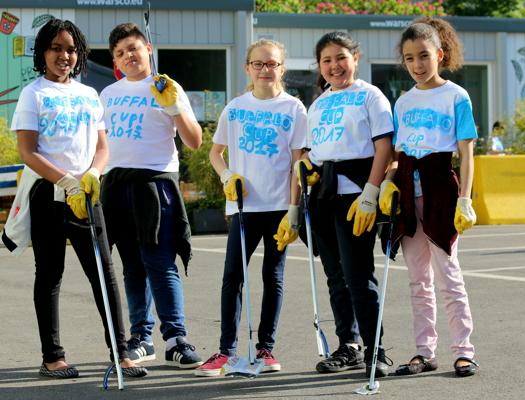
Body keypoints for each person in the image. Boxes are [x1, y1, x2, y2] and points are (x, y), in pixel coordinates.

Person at [7, 18, 146, 379]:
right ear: (43, 53)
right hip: (49, 194)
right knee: (50, 274)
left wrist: (92, 174)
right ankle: (52, 357)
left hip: (87, 194)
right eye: (56, 48)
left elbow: (102, 146)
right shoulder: (33, 93)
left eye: (71, 49)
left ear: (80, 54)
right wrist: (66, 181)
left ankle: (121, 353)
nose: (64, 55)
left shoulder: (89, 95)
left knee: (104, 274)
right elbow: (28, 151)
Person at [277, 31, 394, 378]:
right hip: (323, 195)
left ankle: (377, 349)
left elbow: (384, 146)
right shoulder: (319, 103)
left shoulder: (371, 97)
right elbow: (308, 156)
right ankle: (349, 345)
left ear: (355, 58)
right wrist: (294, 207)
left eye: (341, 57)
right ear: (320, 66)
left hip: (357, 194)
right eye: (327, 60)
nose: (334, 66)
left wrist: (372, 191)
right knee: (335, 276)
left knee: (359, 275)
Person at [194, 39, 307, 377]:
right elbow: (216, 153)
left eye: (271, 63)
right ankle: (226, 351)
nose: (264, 70)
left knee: (273, 276)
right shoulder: (236, 107)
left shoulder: (294, 109)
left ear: (281, 68)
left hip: (278, 208)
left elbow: (299, 163)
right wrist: (227, 175)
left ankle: (266, 349)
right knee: (233, 277)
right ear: (248, 68)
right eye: (258, 64)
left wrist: (294, 210)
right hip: (245, 206)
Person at [379, 17, 479, 378]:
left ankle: (464, 351)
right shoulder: (403, 102)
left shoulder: (456, 95)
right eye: (409, 58)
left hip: (441, 190)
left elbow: (467, 151)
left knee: (448, 276)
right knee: (417, 280)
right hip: (408, 192)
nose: (417, 65)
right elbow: (396, 153)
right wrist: (389, 183)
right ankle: (425, 350)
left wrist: (464, 198)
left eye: (423, 55)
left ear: (440, 54)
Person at [99, 23, 203, 369]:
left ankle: (176, 339)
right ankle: (141, 339)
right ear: (115, 60)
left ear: (148, 48)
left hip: (155, 185)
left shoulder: (166, 87)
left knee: (160, 263)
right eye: (120, 52)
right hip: (116, 186)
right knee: (132, 267)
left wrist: (173, 106)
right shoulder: (108, 95)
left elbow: (194, 141)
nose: (128, 55)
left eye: (133, 47)